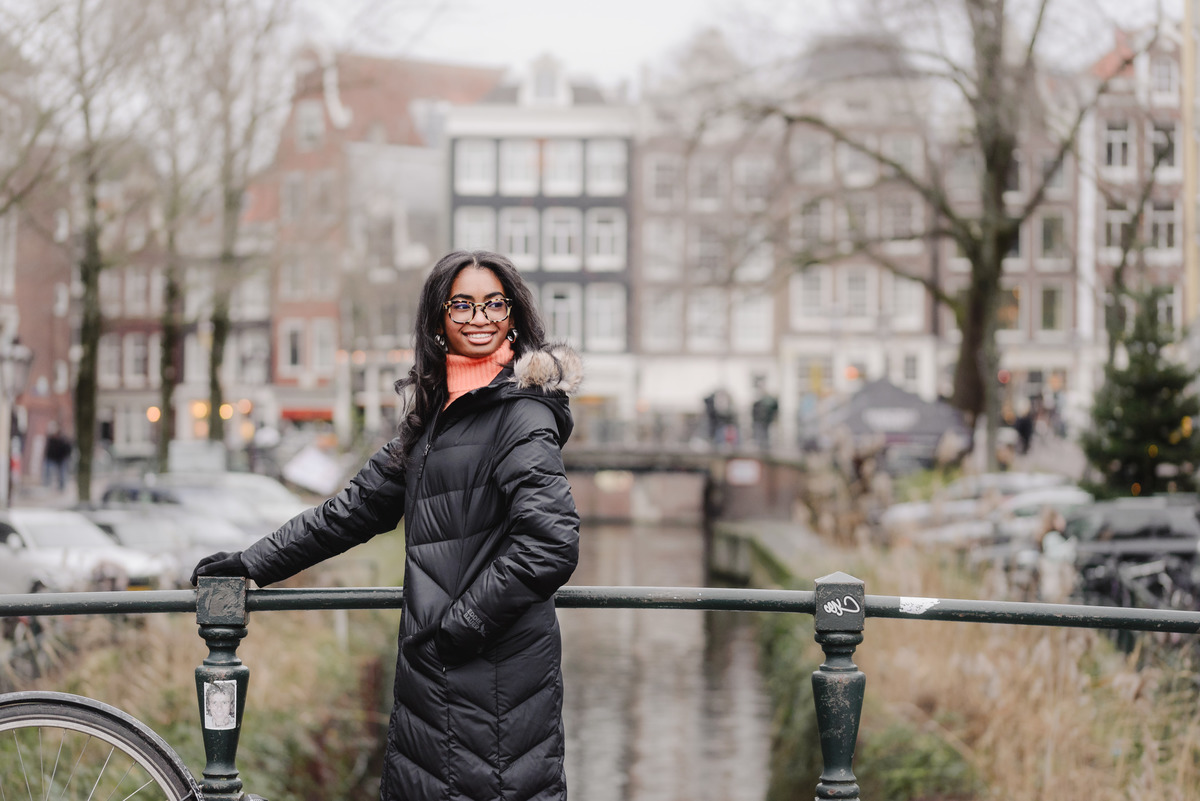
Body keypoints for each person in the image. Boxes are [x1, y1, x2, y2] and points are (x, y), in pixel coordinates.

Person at [190, 250, 582, 801]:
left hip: (491, 677)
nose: (479, 317)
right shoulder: (436, 415)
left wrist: (458, 627)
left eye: (494, 303)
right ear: (439, 319)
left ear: (513, 315)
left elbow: (551, 543)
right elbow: (352, 509)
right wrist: (252, 563)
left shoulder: (522, 414)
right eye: (462, 304)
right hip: (436, 678)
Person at [43, 422, 71, 491]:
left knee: (62, 473)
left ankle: (62, 486)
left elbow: (67, 448)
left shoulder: (63, 439)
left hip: (61, 458)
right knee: (48, 470)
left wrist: (66, 456)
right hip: (52, 457)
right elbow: (48, 449)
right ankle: (47, 484)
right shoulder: (51, 439)